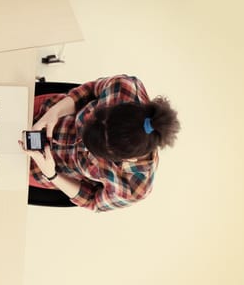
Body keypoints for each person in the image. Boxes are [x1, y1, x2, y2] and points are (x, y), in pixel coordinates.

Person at [19, 74, 180, 212]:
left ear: (127, 159)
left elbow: (92, 200)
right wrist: (54, 113)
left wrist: (51, 174)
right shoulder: (126, 88)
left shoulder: (135, 187)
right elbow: (89, 90)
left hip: (38, 169)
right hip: (43, 111)